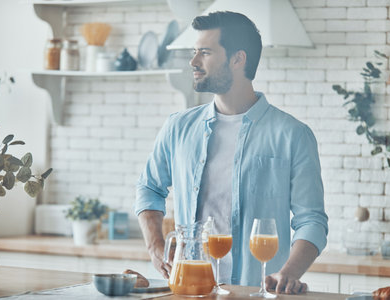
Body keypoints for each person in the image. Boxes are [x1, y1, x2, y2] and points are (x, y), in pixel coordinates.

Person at [135, 11, 328, 294]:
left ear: (238, 59)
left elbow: (311, 220)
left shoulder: (292, 135)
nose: (193, 62)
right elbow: (149, 188)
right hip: (190, 289)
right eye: (194, 52)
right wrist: (155, 246)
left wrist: (286, 274)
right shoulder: (177, 128)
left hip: (256, 293)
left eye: (205, 52)